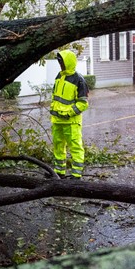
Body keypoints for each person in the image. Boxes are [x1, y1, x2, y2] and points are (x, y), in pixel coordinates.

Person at [50, 50, 89, 179]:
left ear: (68, 62)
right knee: (58, 146)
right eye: (59, 62)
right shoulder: (59, 76)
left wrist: (68, 113)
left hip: (71, 121)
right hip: (57, 120)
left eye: (62, 62)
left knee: (75, 146)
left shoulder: (79, 79)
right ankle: (59, 172)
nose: (60, 64)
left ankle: (76, 174)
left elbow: (83, 103)